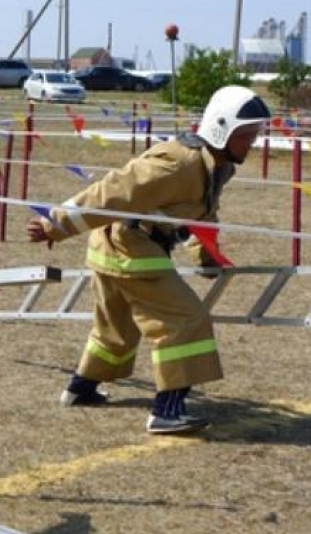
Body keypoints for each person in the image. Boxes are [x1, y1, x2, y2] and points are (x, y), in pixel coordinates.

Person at [27, 85, 270, 435]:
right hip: (130, 249)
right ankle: (167, 412)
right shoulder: (179, 164)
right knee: (186, 320)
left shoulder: (218, 166)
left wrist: (206, 256)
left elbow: (201, 216)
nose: (252, 143)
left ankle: (80, 390)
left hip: (118, 249)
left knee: (117, 331)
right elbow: (114, 192)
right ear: (222, 128)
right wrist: (56, 224)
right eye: (247, 135)